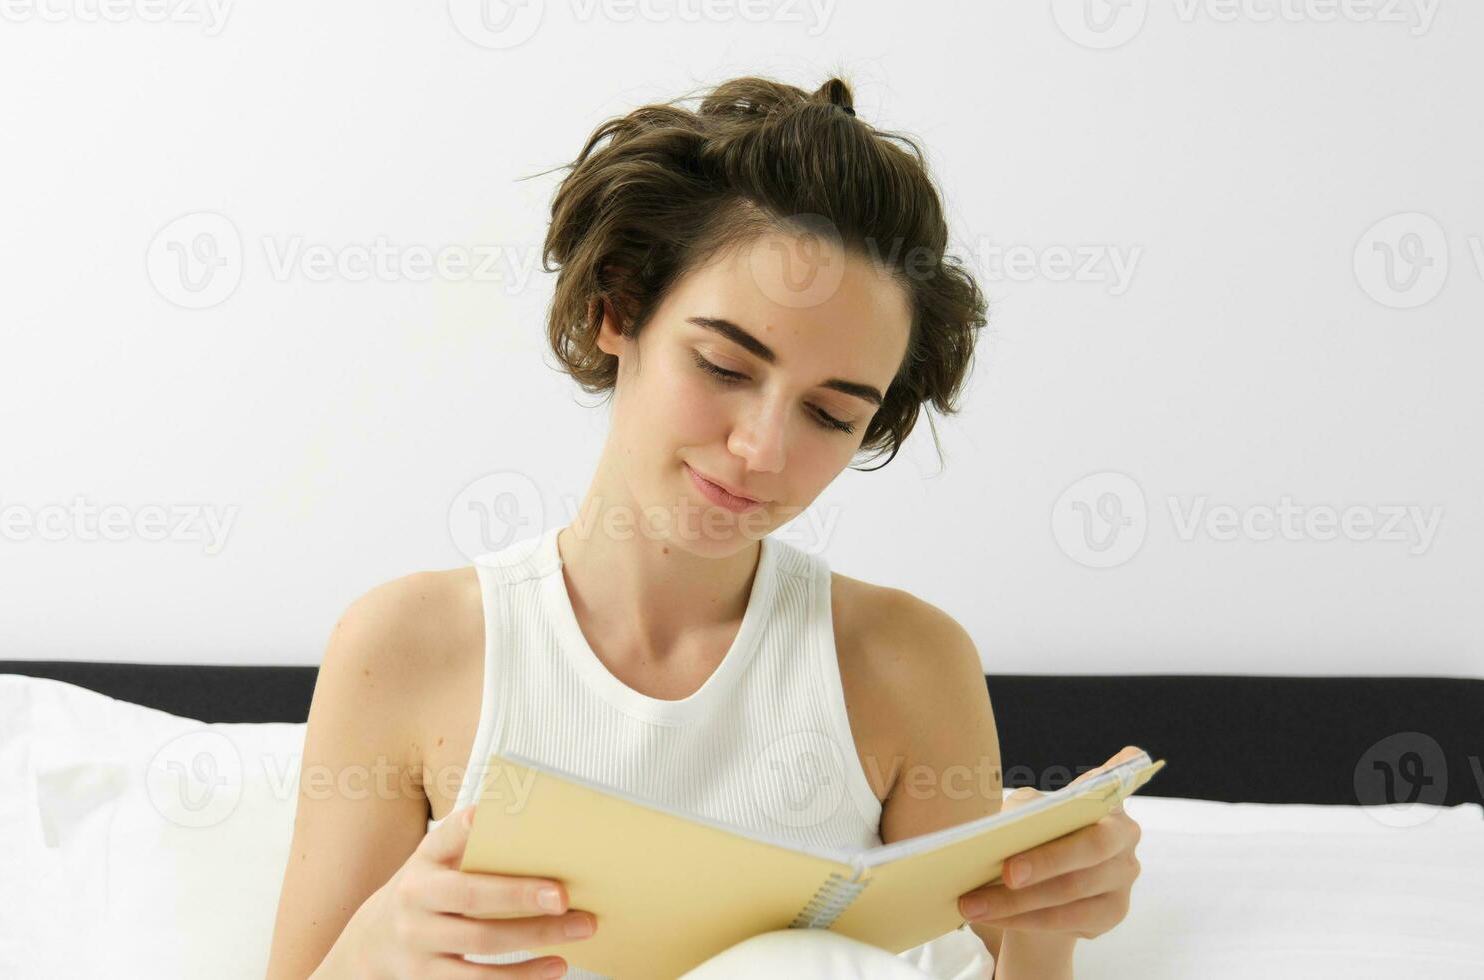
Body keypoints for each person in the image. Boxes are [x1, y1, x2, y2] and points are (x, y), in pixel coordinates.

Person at [264, 75, 1144, 980]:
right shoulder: (409, 648)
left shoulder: (907, 664)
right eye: (724, 364)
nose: (761, 449)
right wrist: (381, 947)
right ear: (619, 308)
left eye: (831, 416)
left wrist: (1045, 927)